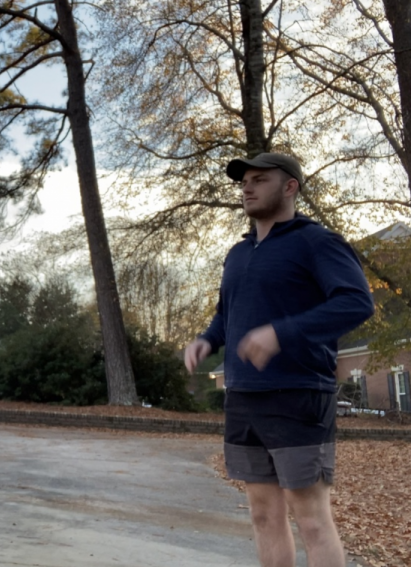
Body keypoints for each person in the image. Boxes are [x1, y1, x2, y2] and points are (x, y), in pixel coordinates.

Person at [184, 153, 374, 567]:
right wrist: (206, 340)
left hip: (299, 394)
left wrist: (280, 332)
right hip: (244, 395)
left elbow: (357, 303)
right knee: (263, 513)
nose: (247, 187)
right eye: (244, 181)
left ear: (290, 187)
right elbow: (227, 314)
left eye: (260, 179)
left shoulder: (316, 242)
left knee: (311, 520)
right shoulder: (238, 253)